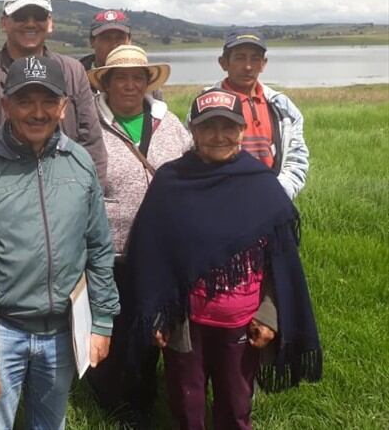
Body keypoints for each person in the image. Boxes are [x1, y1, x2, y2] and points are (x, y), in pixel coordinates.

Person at [128, 88, 322, 430]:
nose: (218, 136)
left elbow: (280, 262)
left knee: (236, 405)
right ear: (193, 130)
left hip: (241, 322)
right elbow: (151, 254)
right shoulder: (171, 182)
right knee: (186, 404)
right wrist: (157, 314)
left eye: (228, 126)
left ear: (242, 130)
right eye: (208, 127)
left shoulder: (261, 184)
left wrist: (268, 315)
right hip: (185, 323)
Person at [0, 55, 119, 430]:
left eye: (48, 101)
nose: (37, 112)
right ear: (6, 105)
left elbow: (99, 247)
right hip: (0, 332)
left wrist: (102, 322)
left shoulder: (79, 162)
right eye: (25, 101)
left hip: (63, 331)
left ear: (63, 106)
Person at [85, 44, 191, 428]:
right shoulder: (89, 126)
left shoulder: (170, 123)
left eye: (137, 77)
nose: (130, 85)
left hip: (162, 252)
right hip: (112, 251)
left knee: (150, 327)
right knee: (113, 326)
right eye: (121, 78)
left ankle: (145, 398)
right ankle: (109, 402)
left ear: (148, 82)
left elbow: (193, 167)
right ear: (106, 83)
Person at [0, 0, 108, 186]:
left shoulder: (74, 71)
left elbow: (93, 145)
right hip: (1, 194)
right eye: (20, 16)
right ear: (4, 23)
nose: (30, 23)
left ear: (50, 22)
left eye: (39, 16)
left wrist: (90, 195)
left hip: (68, 193)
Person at [201, 29, 309, 199]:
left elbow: (296, 159)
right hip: (222, 198)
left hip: (272, 197)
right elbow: (195, 154)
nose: (248, 67)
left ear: (263, 64)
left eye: (255, 58)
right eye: (240, 58)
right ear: (223, 63)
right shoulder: (206, 105)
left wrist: (277, 194)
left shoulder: (283, 107)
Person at [80, 10, 164, 102]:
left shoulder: (148, 83)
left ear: (130, 41)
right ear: (92, 42)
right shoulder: (75, 79)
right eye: (106, 38)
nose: (113, 45)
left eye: (120, 38)